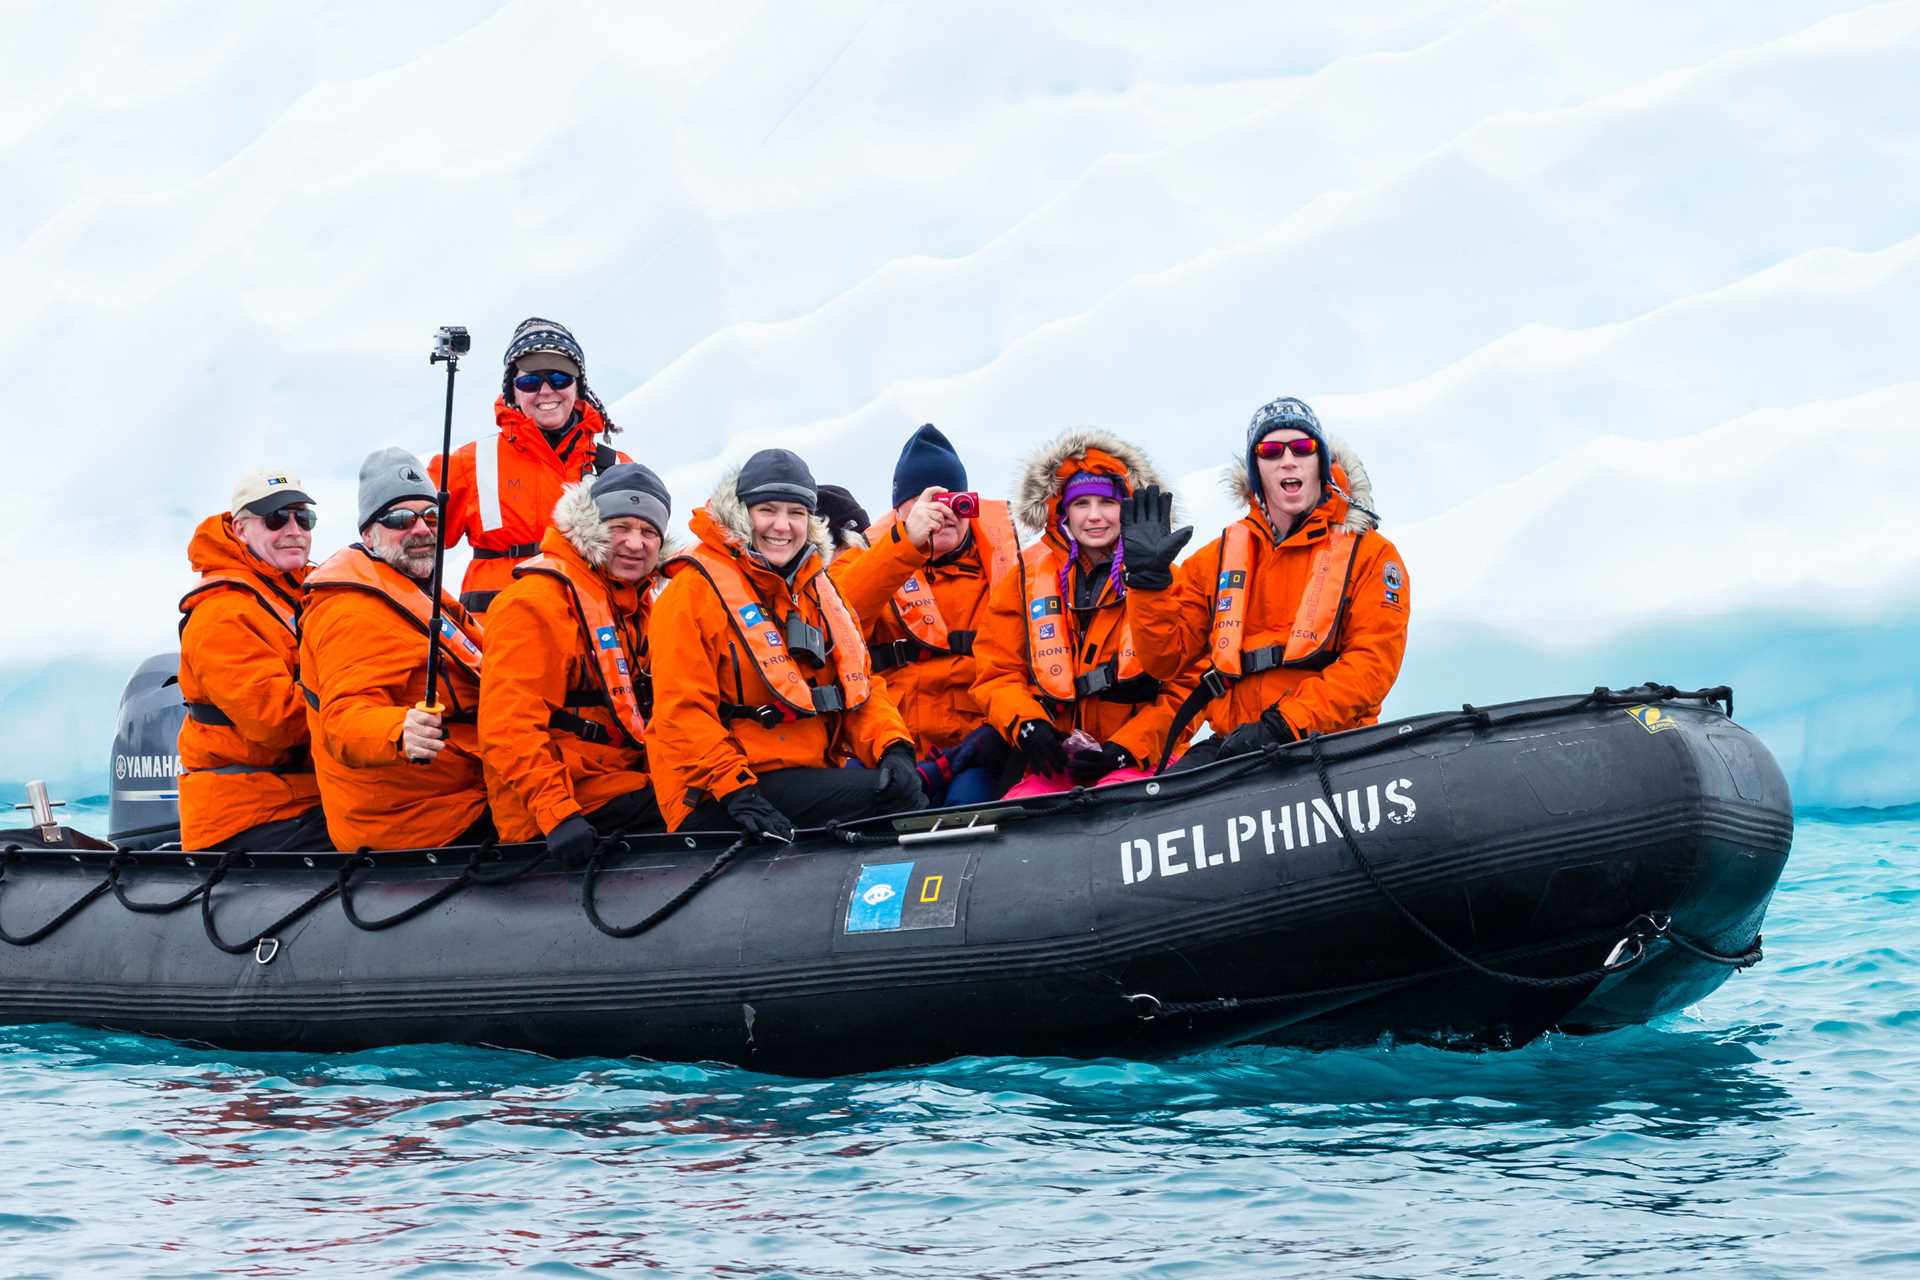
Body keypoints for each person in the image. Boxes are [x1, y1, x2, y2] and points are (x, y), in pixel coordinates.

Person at [646, 448, 927, 838]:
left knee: (901, 783)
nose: (782, 525)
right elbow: (681, 713)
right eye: (768, 510)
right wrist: (734, 789)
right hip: (716, 790)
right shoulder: (690, 593)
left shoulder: (816, 589)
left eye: (796, 513)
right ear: (742, 513)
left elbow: (859, 686)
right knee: (890, 798)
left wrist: (893, 747)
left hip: (799, 774)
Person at [1119, 396, 1410, 768]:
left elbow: (1371, 665)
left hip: (1329, 745)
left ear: (1321, 462)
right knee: (1162, 799)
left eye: (1302, 448)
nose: (1288, 459)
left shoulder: (1371, 554)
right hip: (1235, 745)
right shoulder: (1216, 560)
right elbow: (1164, 661)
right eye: (1271, 450)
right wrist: (1148, 584)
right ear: (1256, 470)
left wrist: (1283, 724)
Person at [970, 429, 1195, 788]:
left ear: (1128, 507)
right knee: (1025, 806)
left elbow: (1186, 684)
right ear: (1062, 512)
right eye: (1081, 503)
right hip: (1057, 759)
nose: (1094, 516)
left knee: (1118, 799)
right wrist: (1027, 724)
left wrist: (1125, 749)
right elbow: (997, 672)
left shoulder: (1166, 580)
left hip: (1142, 756)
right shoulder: (1025, 579)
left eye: (1107, 503)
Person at [479, 464, 674, 864]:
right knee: (702, 813)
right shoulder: (533, 603)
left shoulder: (641, 607)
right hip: (562, 802)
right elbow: (508, 727)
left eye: (648, 532)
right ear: (590, 528)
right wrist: (557, 814)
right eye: (621, 527)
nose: (635, 544)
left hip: (621, 779)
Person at [300, 449, 490, 851]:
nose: (421, 529)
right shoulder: (350, 610)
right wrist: (399, 732)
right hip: (417, 817)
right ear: (369, 534)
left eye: (431, 517)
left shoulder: (421, 592)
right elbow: (344, 720)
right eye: (401, 519)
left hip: (463, 790)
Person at [827, 424, 1016, 806]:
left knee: (970, 806)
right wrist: (904, 546)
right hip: (890, 750)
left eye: (954, 501)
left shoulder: (1013, 568)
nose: (942, 514)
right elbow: (837, 620)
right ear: (898, 512)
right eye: (926, 504)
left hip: (978, 746)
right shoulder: (867, 561)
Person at [431, 318, 631, 614]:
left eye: (560, 378)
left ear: (579, 386)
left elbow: (641, 559)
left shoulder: (616, 469)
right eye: (530, 381)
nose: (546, 390)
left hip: (591, 639)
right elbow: (415, 538)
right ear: (513, 391)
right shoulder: (468, 463)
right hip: (497, 640)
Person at [175, 470, 328, 851]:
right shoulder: (221, 614)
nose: (294, 529)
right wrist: (372, 719)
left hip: (309, 793)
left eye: (303, 517)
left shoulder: (311, 593)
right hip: (249, 814)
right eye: (276, 518)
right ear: (241, 530)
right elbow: (277, 722)